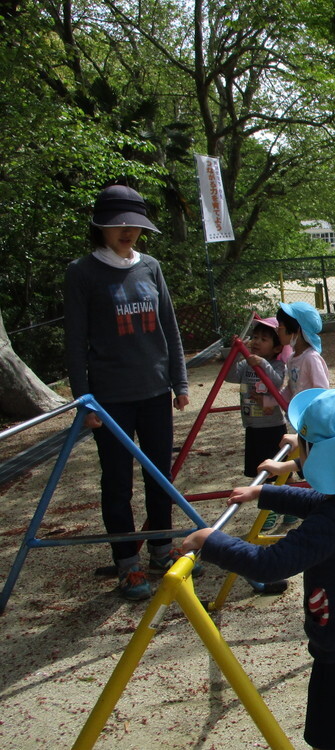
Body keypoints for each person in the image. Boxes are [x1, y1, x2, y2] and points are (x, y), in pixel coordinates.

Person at [181, 388, 335, 750]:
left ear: (317, 454)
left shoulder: (332, 523)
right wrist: (263, 495)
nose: (298, 450)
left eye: (302, 444)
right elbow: (315, 501)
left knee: (331, 739)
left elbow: (268, 565)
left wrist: (210, 541)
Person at [64, 183, 192, 601]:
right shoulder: (82, 272)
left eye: (133, 226)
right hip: (110, 397)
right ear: (100, 227)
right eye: (117, 225)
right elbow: (75, 340)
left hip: (155, 390)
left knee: (159, 474)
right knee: (117, 481)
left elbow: (169, 328)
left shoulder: (150, 267)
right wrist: (84, 400)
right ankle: (127, 565)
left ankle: (161, 547)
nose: (126, 232)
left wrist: (180, 382)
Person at [272, 301, 329, 526]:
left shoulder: (311, 358)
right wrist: (271, 399)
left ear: (295, 331)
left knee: (315, 466)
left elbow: (322, 392)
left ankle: (322, 508)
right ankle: (308, 508)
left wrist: (317, 422)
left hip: (313, 425)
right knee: (306, 464)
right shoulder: (293, 358)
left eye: (281, 326)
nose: (277, 330)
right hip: (301, 424)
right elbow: (289, 389)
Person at [224, 314, 288, 479]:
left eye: (264, 339)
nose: (257, 341)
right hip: (252, 425)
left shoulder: (278, 365)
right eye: (255, 337)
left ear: (277, 348)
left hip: (272, 426)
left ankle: (285, 495)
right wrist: (235, 354)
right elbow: (229, 376)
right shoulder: (245, 364)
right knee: (259, 472)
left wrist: (263, 363)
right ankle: (265, 498)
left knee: (280, 473)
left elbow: (277, 383)